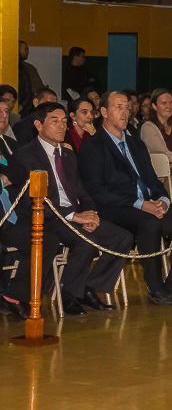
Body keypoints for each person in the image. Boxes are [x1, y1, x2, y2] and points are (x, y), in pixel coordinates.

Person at [79, 92, 172, 307]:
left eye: (126, 107)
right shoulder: (92, 147)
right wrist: (142, 204)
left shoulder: (136, 144)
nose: (125, 112)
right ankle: (155, 286)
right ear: (103, 112)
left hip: (148, 205)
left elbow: (153, 181)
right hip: (116, 209)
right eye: (118, 107)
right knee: (149, 222)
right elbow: (98, 191)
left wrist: (163, 201)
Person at [16, 102, 133, 316]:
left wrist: (90, 213)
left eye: (64, 122)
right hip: (51, 217)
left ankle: (86, 288)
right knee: (87, 244)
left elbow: (82, 191)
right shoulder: (26, 156)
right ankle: (70, 295)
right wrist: (73, 216)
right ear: (38, 125)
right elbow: (31, 203)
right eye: (55, 121)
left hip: (76, 214)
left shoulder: (68, 155)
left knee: (122, 238)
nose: (62, 126)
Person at [18, 40, 46, 111]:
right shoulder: (28, 68)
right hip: (27, 106)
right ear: (18, 49)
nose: (28, 52)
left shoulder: (29, 68)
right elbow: (35, 87)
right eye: (26, 49)